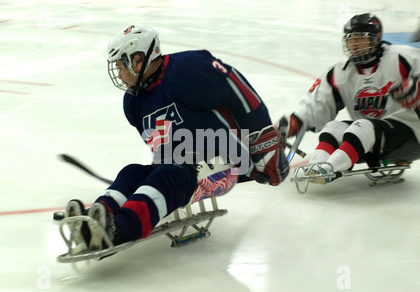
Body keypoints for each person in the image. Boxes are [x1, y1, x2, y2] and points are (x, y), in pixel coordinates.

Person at [65, 24, 289, 253]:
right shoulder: (133, 103)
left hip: (225, 162)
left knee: (171, 174)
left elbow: (238, 90)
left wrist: (265, 144)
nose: (119, 75)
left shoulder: (190, 70)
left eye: (122, 66)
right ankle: (99, 217)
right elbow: (161, 148)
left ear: (139, 60)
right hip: (181, 165)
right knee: (132, 172)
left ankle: (121, 228)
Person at [278, 13, 420, 184]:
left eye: (360, 38)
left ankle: (330, 169)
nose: (354, 44)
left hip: (412, 134)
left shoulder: (401, 58)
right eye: (350, 39)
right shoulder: (341, 73)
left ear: (377, 38)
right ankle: (316, 167)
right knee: (333, 128)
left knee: (363, 127)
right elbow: (317, 103)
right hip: (368, 139)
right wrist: (296, 121)